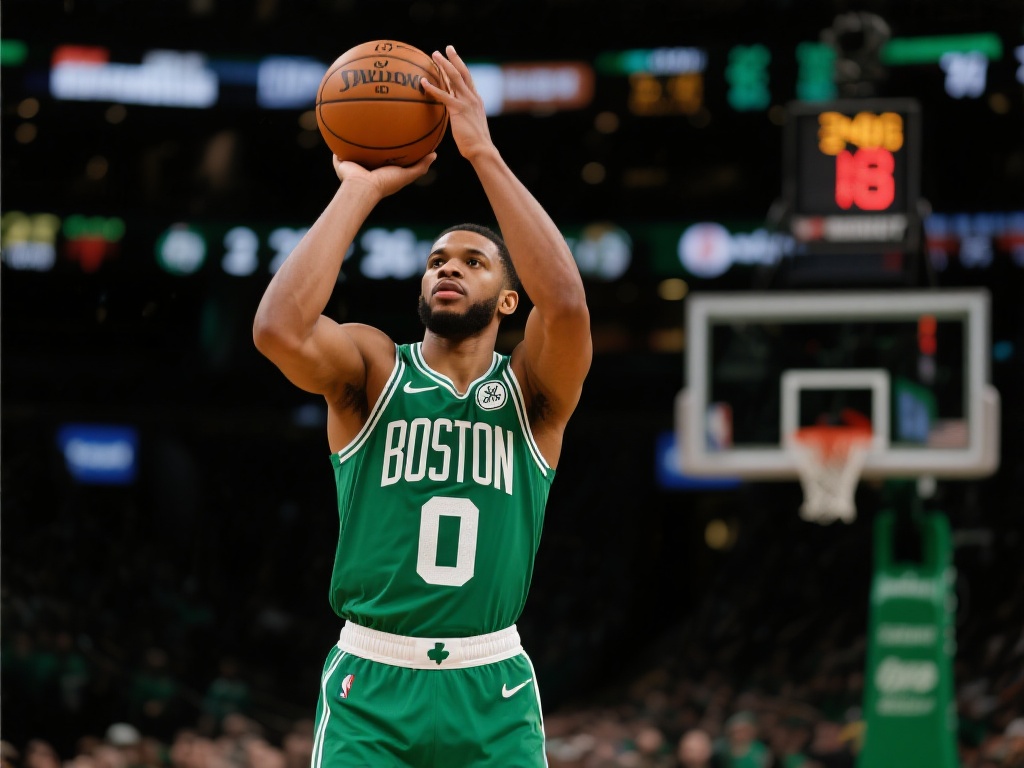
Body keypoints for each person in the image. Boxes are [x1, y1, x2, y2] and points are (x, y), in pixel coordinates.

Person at [252, 44, 592, 767]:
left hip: (492, 684)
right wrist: (359, 189)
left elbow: (564, 303)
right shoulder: (374, 369)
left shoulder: (533, 392)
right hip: (371, 682)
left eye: (473, 262)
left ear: (509, 300)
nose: (448, 268)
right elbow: (278, 330)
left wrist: (483, 153)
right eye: (437, 260)